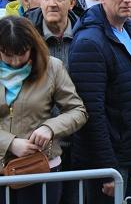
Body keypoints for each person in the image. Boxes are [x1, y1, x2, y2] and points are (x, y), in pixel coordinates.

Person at [68, 0, 131, 203]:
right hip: (109, 163)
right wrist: (107, 167)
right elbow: (92, 112)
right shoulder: (90, 43)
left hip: (130, 154)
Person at [0, 16, 87, 203]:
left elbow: (77, 111)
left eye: (21, 53)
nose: (15, 62)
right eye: (7, 54)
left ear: (32, 46)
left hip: (39, 167)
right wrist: (10, 143)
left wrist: (50, 128)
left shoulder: (52, 66)